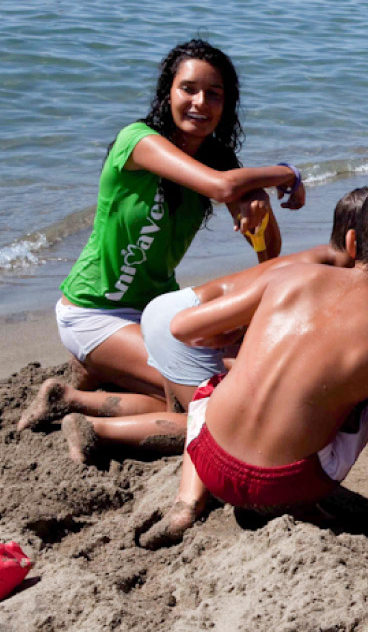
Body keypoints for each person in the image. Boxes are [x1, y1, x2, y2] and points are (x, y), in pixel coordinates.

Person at [139, 182, 368, 549]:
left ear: (350, 242)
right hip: (288, 486)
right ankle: (306, 508)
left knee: (214, 384)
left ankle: (187, 503)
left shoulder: (289, 276)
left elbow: (181, 327)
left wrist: (233, 337)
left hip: (212, 462)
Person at [32, 41, 302, 421]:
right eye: (188, 89)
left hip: (159, 312)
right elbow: (221, 187)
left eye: (214, 94)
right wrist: (287, 174)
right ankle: (67, 397)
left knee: (252, 368)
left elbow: (267, 254)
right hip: (94, 311)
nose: (200, 103)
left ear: (226, 105)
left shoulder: (216, 162)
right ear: (168, 93)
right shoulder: (138, 141)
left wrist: (260, 204)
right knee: (211, 392)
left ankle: (102, 372)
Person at [37, 188, 368, 464]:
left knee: (177, 405)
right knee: (218, 428)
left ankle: (69, 398)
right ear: (358, 243)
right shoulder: (331, 276)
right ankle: (95, 429)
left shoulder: (322, 258)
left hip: (177, 312)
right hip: (182, 324)